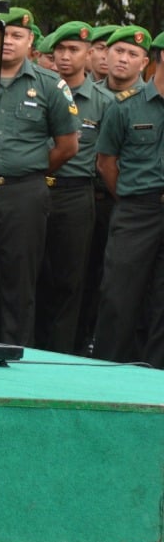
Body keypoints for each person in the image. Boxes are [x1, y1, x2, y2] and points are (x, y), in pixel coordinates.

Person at [0, 8, 78, 347]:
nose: (9, 42)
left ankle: (12, 350)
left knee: (19, 281)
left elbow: (68, 145)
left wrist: (27, 168)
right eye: (5, 35)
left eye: (17, 36)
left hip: (23, 193)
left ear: (31, 43)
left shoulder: (48, 85)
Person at [33, 22, 112, 353]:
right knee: (27, 274)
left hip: (76, 194)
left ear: (89, 53)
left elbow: (107, 157)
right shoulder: (40, 90)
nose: (65, 57)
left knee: (70, 281)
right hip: (35, 188)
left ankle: (60, 352)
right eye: (59, 50)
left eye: (73, 50)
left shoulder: (104, 102)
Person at [93, 26, 164, 368]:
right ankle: (109, 371)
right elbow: (106, 163)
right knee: (119, 294)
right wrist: (130, 197)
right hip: (136, 209)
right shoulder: (126, 108)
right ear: (160, 60)